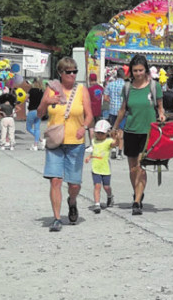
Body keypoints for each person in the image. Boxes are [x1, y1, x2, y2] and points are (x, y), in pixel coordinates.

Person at [38, 57, 93, 232]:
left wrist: (83, 127)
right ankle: (56, 218)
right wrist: (46, 102)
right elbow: (39, 113)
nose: (72, 75)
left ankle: (72, 200)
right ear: (60, 73)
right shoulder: (51, 89)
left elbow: (90, 115)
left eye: (74, 71)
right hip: (55, 142)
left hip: (75, 143)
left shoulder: (82, 90)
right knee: (55, 180)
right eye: (68, 72)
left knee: (74, 184)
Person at [114, 54, 165, 216]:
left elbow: (160, 107)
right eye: (135, 70)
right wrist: (115, 126)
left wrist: (162, 115)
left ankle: (137, 201)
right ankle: (137, 192)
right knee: (132, 168)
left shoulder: (154, 86)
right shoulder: (127, 87)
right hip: (130, 131)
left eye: (141, 70)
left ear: (146, 70)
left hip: (149, 132)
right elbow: (123, 109)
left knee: (141, 167)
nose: (138, 73)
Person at [84, 119, 115, 213]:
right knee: (97, 186)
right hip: (96, 168)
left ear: (106, 133)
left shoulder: (108, 141)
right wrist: (89, 157)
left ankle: (110, 196)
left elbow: (114, 144)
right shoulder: (94, 141)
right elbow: (95, 151)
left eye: (102, 133)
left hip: (105, 169)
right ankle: (97, 204)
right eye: (98, 133)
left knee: (106, 186)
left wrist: (116, 138)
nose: (100, 135)